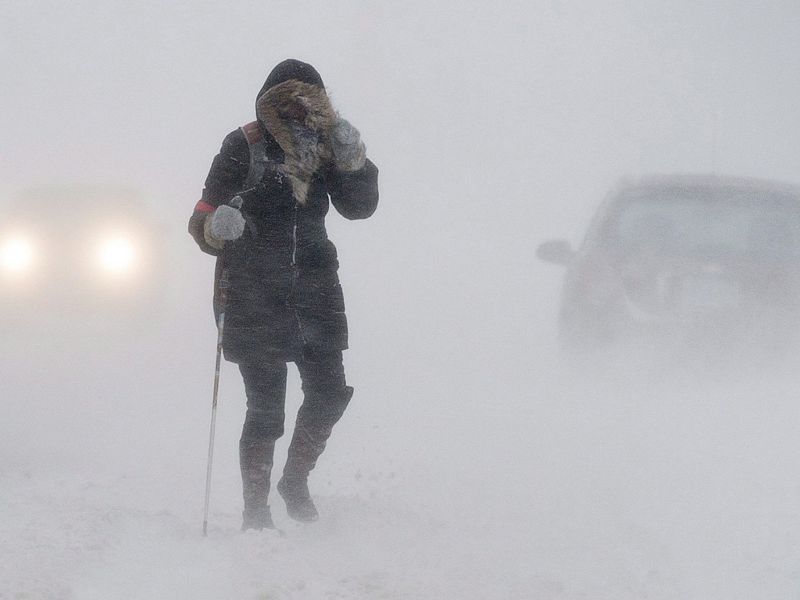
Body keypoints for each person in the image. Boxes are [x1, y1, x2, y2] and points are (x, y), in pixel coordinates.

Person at [188, 59, 379, 530]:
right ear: (271, 102)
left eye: (309, 100)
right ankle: (256, 511)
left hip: (316, 288)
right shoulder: (244, 145)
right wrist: (217, 227)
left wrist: (356, 162)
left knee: (330, 393)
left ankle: (294, 480)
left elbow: (359, 208)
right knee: (266, 408)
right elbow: (201, 222)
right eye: (289, 101)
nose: (300, 109)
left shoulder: (327, 146)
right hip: (253, 290)